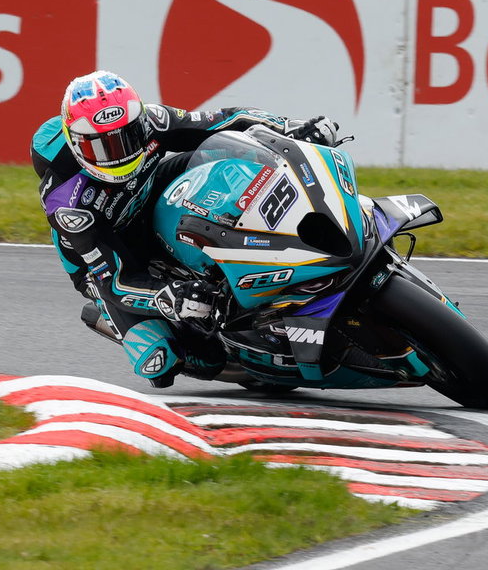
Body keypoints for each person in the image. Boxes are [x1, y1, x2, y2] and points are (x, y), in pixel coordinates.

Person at [30, 70, 338, 388]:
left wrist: (291, 130)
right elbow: (114, 281)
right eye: (103, 147)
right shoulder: (68, 203)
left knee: (230, 154)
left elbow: (223, 121)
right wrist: (172, 296)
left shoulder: (152, 120)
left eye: (126, 137)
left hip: (150, 190)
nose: (119, 153)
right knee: (163, 360)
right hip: (112, 255)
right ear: (77, 145)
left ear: (138, 122)